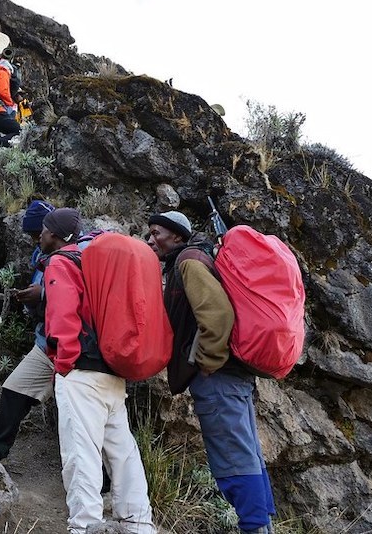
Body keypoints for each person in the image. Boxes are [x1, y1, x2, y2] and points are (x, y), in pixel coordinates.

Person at [146, 211, 276, 534]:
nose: (151, 239)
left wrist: (206, 362)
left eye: (156, 232)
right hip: (233, 376)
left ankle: (254, 528)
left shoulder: (189, 262)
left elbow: (217, 315)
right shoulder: (198, 258)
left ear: (177, 235)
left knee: (233, 463)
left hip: (218, 378)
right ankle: (262, 526)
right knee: (248, 458)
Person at [42, 208, 156, 534]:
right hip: (112, 369)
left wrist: (63, 364)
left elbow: (63, 314)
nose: (41, 236)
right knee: (122, 451)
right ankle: (138, 523)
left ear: (59, 235)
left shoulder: (62, 261)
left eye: (46, 230)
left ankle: (85, 526)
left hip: (81, 372)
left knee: (82, 452)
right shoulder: (94, 262)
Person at [0, 200, 56, 461]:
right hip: (46, 343)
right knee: (14, 390)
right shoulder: (42, 255)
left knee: (83, 418)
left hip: (76, 350)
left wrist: (44, 294)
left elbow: (80, 295)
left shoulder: (78, 255)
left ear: (52, 232)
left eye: (39, 234)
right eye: (33, 236)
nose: (36, 240)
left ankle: (105, 483)